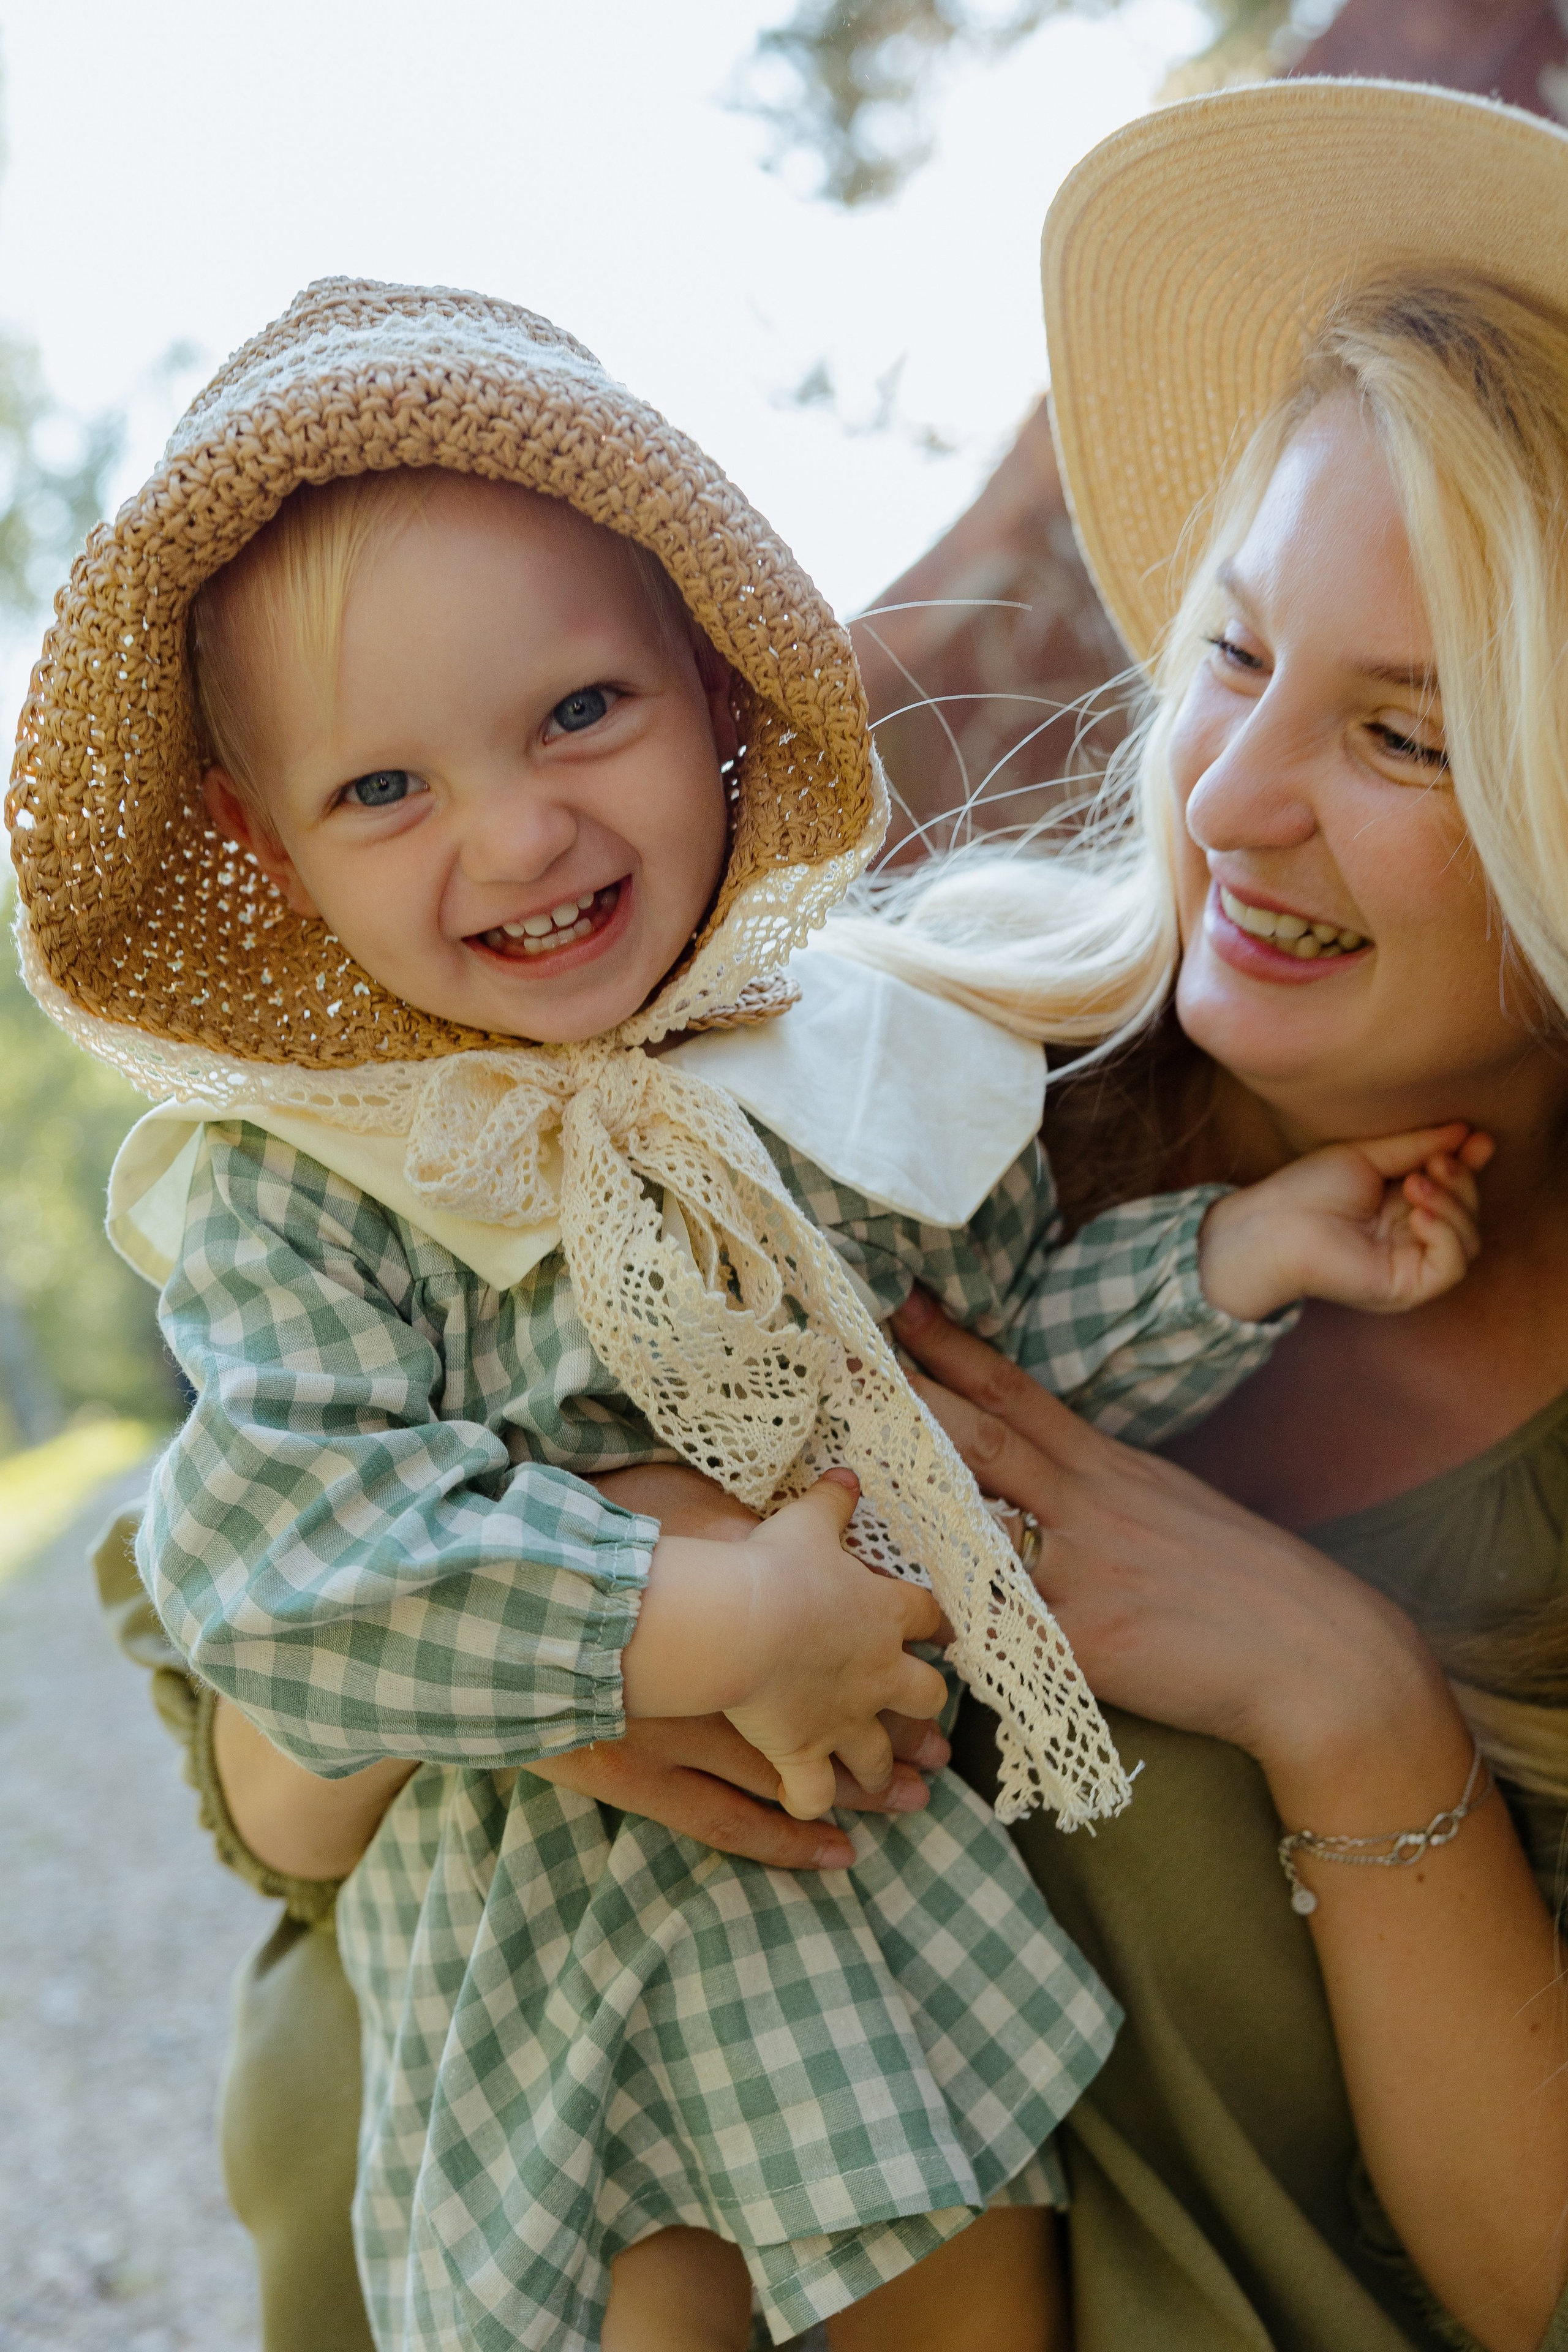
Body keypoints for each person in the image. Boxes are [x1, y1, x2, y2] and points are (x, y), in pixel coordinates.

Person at [11, 273, 1480, 2351]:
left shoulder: (837, 1072)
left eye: (578, 715)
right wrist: (706, 1623)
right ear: (270, 844)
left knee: (969, 2303)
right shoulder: (309, 1189)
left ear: (710, 686)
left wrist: (1243, 1260)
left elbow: (994, 1384)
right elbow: (282, 1563)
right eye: (383, 792)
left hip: (876, 1947)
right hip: (541, 1995)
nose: (519, 834)